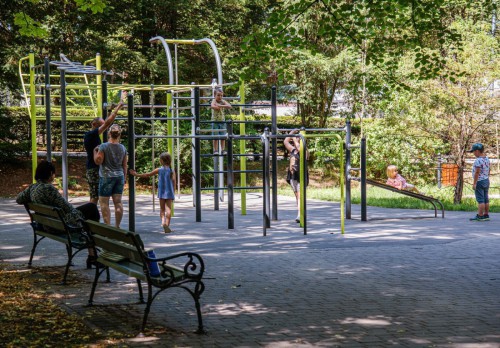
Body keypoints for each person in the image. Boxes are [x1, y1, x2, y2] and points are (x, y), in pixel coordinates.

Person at [16, 160, 100, 268]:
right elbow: (67, 208)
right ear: (50, 174)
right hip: (58, 225)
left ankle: (92, 254)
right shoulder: (49, 188)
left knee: (88, 210)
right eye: (53, 173)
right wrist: (79, 216)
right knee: (91, 208)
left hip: (47, 224)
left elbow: (19, 199)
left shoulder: (33, 187)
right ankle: (93, 253)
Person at [84, 91, 127, 204]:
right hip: (93, 168)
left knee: (97, 196)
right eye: (101, 125)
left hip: (95, 168)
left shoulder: (93, 136)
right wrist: (117, 108)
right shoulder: (91, 134)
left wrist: (110, 110)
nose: (104, 127)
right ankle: (90, 218)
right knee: (95, 197)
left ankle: (92, 217)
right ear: (94, 125)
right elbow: (107, 123)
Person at [129, 152, 176, 233]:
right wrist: (173, 192)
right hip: (169, 192)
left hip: (161, 192)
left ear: (161, 161)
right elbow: (174, 183)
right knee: (168, 210)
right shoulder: (172, 171)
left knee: (162, 209)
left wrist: (136, 174)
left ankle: (163, 223)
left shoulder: (159, 170)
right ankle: (167, 226)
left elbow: (147, 175)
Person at [94, 124, 127, 228]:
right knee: (118, 202)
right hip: (119, 176)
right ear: (119, 134)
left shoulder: (103, 146)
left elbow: (98, 161)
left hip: (106, 177)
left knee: (104, 203)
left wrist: (95, 152)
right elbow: (125, 165)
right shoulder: (123, 148)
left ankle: (108, 226)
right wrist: (124, 178)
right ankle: (117, 226)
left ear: (109, 133)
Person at [284, 129, 309, 223]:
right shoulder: (293, 150)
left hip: (301, 176)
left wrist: (295, 139)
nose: (296, 139)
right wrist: (292, 132)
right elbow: (285, 141)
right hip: (292, 175)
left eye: (299, 138)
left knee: (300, 196)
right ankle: (300, 212)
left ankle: (300, 215)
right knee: (297, 196)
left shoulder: (305, 151)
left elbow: (299, 148)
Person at [468, 143, 490, 221]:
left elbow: (477, 172)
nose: (473, 153)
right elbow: (488, 170)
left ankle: (480, 215)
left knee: (480, 200)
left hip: (479, 181)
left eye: (473, 151)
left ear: (477, 151)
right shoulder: (486, 158)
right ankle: (486, 214)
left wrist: (474, 183)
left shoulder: (478, 160)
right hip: (486, 180)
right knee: (486, 199)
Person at [210, 87, 232, 155]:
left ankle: (223, 150)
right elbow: (213, 106)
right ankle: (215, 150)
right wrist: (220, 106)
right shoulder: (214, 101)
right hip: (215, 121)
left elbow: (229, 106)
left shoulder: (222, 101)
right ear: (215, 95)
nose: (220, 97)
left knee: (223, 136)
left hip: (222, 121)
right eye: (218, 95)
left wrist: (220, 105)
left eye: (221, 95)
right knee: (215, 136)